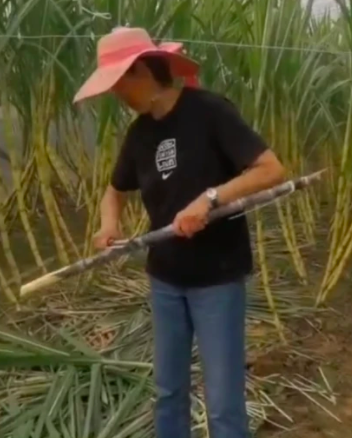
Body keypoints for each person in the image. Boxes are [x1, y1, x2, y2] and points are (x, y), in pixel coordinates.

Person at [73, 27, 285, 438]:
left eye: (120, 85)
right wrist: (108, 225)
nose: (118, 96)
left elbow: (271, 170)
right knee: (168, 392)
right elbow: (113, 192)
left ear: (141, 72)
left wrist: (208, 199)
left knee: (223, 400)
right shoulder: (139, 135)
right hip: (165, 280)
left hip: (217, 279)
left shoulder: (209, 112)